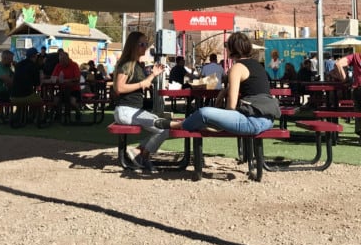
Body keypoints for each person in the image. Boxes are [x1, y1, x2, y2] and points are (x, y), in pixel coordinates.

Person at [157, 32, 278, 138]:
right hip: (268, 120)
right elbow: (251, 86)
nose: (226, 49)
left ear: (232, 48)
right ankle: (204, 124)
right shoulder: (257, 65)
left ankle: (178, 125)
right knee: (208, 116)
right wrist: (224, 92)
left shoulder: (237, 68)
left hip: (252, 122)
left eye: (227, 46)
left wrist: (221, 113)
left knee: (204, 112)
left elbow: (231, 106)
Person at [112, 31, 168, 172]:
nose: (145, 47)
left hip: (132, 110)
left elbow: (143, 83)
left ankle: (140, 154)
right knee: (163, 128)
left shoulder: (137, 65)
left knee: (163, 125)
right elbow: (119, 88)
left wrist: (153, 75)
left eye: (146, 44)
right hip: (126, 110)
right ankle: (141, 154)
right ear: (133, 46)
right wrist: (142, 83)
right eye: (141, 44)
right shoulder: (127, 64)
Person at [11, 48, 42, 122]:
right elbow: (37, 84)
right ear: (35, 56)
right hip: (25, 96)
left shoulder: (19, 65)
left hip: (13, 96)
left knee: (28, 97)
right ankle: (40, 119)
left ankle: (20, 117)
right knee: (40, 101)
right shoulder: (34, 66)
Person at [50, 51, 83, 118]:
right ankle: (57, 115)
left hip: (74, 90)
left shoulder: (74, 65)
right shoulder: (58, 65)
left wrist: (66, 80)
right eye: (61, 61)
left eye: (63, 60)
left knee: (72, 102)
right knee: (55, 101)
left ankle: (78, 111)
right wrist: (57, 79)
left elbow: (77, 78)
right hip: (63, 90)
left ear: (67, 59)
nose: (62, 62)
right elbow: (53, 77)